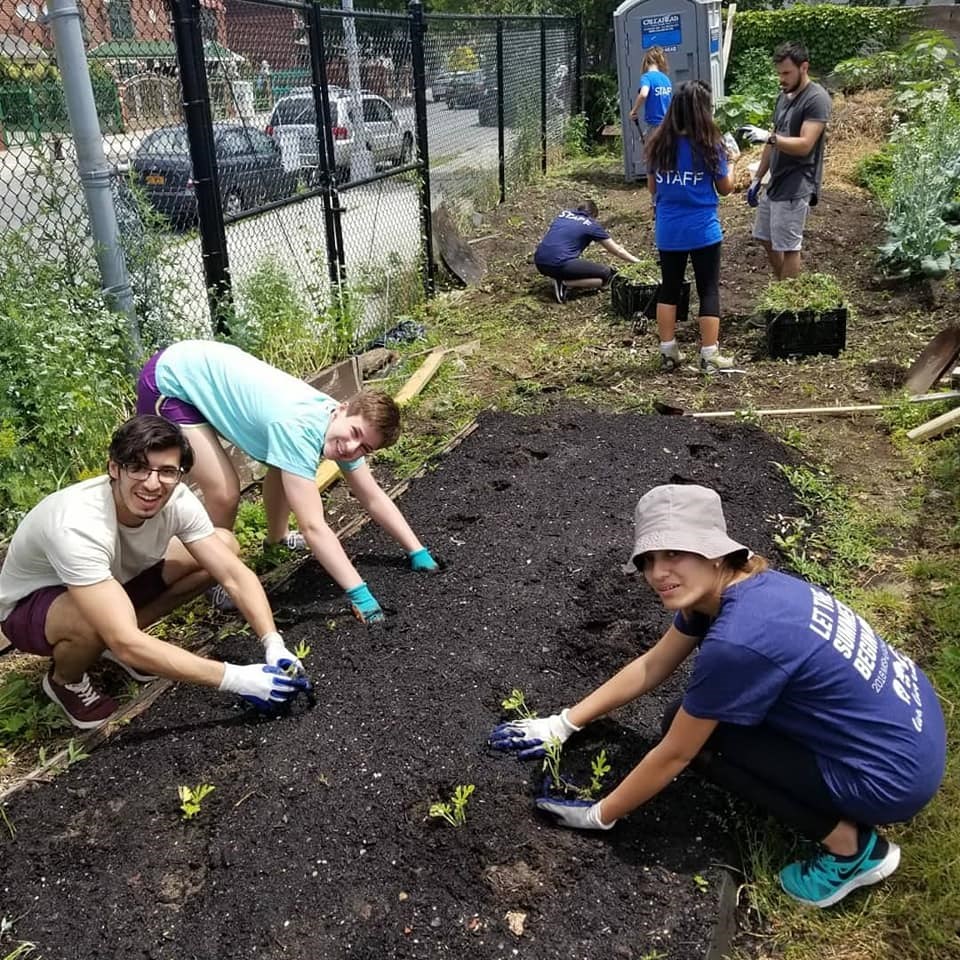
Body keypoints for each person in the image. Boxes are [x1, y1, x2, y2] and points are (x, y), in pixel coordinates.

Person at [490, 484, 946, 909]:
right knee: (688, 719)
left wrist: (600, 814)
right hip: (911, 720)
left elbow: (675, 755)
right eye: (648, 559)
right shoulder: (749, 587)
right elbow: (654, 663)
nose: (658, 573)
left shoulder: (739, 640)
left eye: (675, 553)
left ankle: (853, 851)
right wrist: (564, 723)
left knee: (698, 738)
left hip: (891, 777)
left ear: (714, 551)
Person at [0, 416, 310, 730]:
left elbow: (233, 574)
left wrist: (273, 642)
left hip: (108, 582)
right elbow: (124, 640)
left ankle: (115, 643)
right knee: (96, 623)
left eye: (166, 471)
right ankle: (64, 680)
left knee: (223, 546)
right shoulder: (77, 525)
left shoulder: (177, 500)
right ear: (113, 468)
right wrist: (237, 678)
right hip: (29, 608)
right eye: (137, 467)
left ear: (179, 474)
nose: (152, 483)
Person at [136, 340, 438, 623]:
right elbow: (313, 526)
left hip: (198, 366)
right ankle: (217, 575)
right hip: (169, 381)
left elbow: (371, 495)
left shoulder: (339, 425)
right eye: (355, 435)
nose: (351, 449)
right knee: (224, 490)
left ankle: (276, 540)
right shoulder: (298, 429)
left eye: (364, 448)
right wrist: (360, 595)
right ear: (343, 408)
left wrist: (416, 550)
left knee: (283, 467)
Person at [646, 81, 736, 375]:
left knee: (669, 289)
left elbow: (652, 187)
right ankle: (709, 355)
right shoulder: (711, 145)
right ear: (703, 111)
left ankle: (668, 352)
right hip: (703, 230)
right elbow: (726, 189)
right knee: (708, 289)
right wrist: (732, 163)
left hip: (669, 230)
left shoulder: (658, 144)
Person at [739, 41, 831, 279]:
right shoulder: (784, 97)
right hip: (776, 181)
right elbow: (773, 140)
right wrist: (758, 178)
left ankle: (788, 305)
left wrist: (769, 138)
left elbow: (805, 145)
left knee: (789, 247)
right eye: (779, 73)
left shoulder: (816, 99)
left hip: (797, 183)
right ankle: (785, 291)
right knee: (764, 236)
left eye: (787, 73)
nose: (782, 78)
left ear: (804, 68)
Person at [534, 200, 642, 304]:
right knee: (608, 274)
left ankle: (561, 277)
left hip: (539, 261)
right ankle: (564, 283)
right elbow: (617, 250)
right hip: (560, 263)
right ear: (594, 215)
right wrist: (638, 263)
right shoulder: (591, 225)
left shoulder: (563, 215)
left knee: (572, 264)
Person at [628, 46, 672, 135]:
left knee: (651, 148)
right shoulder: (666, 79)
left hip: (655, 125)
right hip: (668, 124)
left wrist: (634, 110)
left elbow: (643, 94)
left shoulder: (647, 77)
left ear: (646, 62)